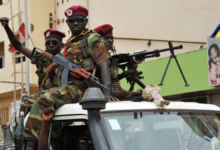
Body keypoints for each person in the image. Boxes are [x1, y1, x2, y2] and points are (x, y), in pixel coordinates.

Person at [23, 5, 119, 150]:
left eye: (79, 20)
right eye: (72, 21)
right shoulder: (70, 42)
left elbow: (103, 65)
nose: (75, 23)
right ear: (67, 23)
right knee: (27, 102)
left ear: (85, 21)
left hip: (84, 88)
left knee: (43, 101)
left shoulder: (93, 39)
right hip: (69, 87)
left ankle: (30, 145)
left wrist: (106, 93)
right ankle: (29, 140)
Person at [0, 17, 65, 117]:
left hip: (60, 98)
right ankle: (21, 130)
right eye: (48, 43)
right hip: (43, 99)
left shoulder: (67, 60)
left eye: (55, 43)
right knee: (26, 103)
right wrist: (7, 27)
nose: (51, 46)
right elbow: (18, 46)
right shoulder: (41, 59)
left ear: (61, 45)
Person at [94, 24, 143, 98]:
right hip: (100, 94)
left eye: (111, 38)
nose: (110, 41)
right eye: (107, 38)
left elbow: (114, 79)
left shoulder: (109, 57)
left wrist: (127, 73)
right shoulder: (96, 58)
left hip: (113, 94)